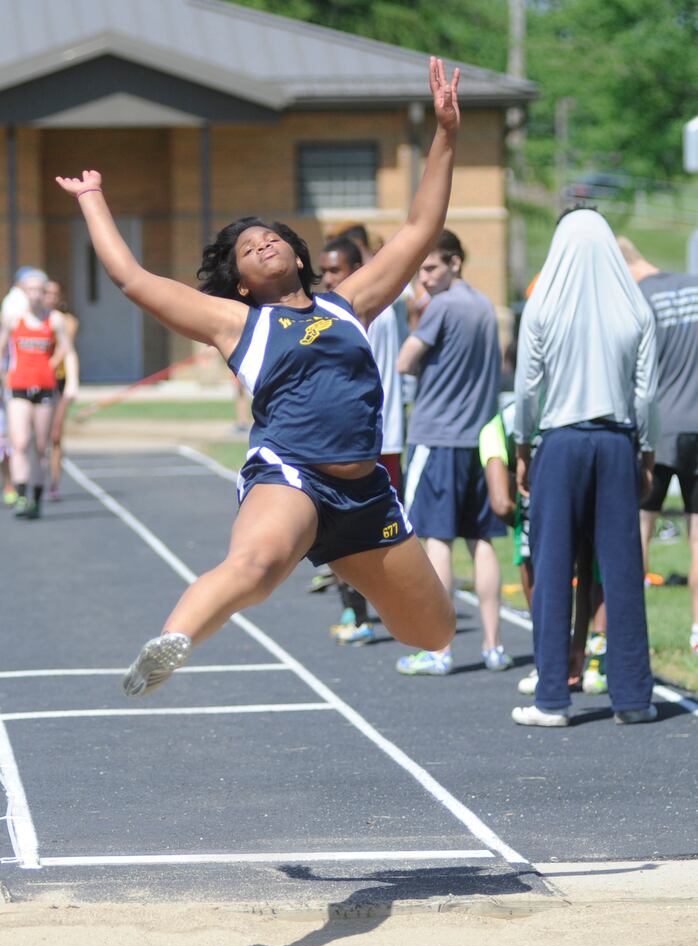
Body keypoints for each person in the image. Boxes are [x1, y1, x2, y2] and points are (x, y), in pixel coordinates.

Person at [56, 57, 461, 697]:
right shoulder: (237, 323)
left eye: (271, 238)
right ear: (242, 281)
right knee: (258, 566)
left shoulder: (348, 303)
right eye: (249, 249)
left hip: (367, 492)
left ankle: (351, 578)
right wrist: (92, 199)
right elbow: (133, 279)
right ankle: (171, 642)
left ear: (298, 254)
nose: (263, 244)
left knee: (433, 632)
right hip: (291, 476)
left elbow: (419, 227)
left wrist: (444, 133)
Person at [513, 208, 658, 727]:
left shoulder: (543, 305)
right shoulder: (635, 310)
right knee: (622, 571)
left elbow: (528, 390)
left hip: (561, 439)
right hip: (618, 441)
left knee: (552, 568)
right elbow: (646, 397)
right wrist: (646, 452)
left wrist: (521, 447)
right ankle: (634, 697)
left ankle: (552, 697)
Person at [395, 229, 512, 676]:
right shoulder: (485, 307)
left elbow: (405, 361)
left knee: (437, 541)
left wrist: (416, 322)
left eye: (430, 268)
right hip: (481, 441)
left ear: (455, 263)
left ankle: (439, 651)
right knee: (482, 542)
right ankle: (494, 645)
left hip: (439, 438)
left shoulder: (440, 307)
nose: (423, 278)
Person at [478, 399, 608, 696]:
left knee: (540, 564)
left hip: (558, 466)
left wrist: (534, 531)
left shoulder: (495, 429)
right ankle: (586, 660)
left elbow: (500, 504)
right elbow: (501, 504)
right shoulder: (497, 431)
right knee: (590, 563)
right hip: (583, 442)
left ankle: (557, 659)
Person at [318, 234, 405, 645]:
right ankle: (365, 611)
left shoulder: (357, 314)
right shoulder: (370, 310)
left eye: (335, 270)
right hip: (372, 437)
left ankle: (361, 614)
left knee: (354, 532)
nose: (328, 279)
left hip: (366, 439)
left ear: (357, 271)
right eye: (324, 272)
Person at [618, 236, 698, 655]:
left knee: (640, 531)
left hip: (659, 428)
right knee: (697, 539)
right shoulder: (693, 284)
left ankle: (634, 633)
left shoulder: (638, 299)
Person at [0, 272, 77, 519]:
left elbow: (66, 346)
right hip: (18, 386)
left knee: (41, 445)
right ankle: (21, 494)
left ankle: (36, 497)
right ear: (23, 292)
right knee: (20, 442)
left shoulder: (53, 320)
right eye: (29, 290)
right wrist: (4, 374)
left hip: (44, 387)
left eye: (39, 290)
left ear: (45, 294)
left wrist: (52, 365)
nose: (34, 295)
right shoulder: (14, 319)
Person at [44, 280, 80, 500]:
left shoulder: (67, 321)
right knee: (37, 437)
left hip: (58, 381)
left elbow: (67, 350)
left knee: (55, 434)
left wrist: (72, 383)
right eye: (47, 292)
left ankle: (54, 483)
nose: (50, 297)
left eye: (54, 293)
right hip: (33, 382)